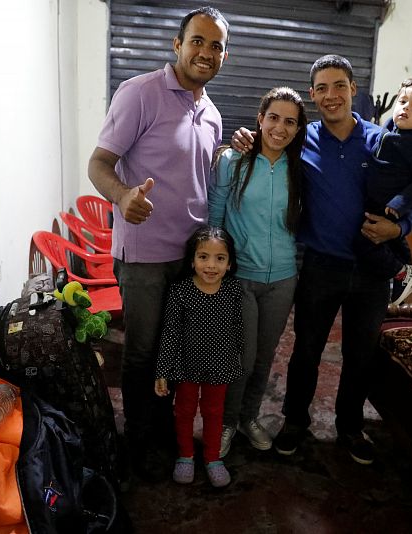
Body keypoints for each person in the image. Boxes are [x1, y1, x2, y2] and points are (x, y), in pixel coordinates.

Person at [231, 55, 412, 465]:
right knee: (306, 350)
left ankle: (349, 428)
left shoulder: (382, 140)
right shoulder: (303, 139)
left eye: (339, 85)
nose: (330, 95)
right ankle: (295, 422)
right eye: (321, 88)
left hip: (371, 269)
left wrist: (400, 229)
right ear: (313, 95)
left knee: (359, 356)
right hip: (321, 265)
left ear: (354, 89)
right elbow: (270, 141)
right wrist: (244, 137)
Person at [86, 6, 229, 481]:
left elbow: (198, 176)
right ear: (177, 44)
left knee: (179, 351)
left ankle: (171, 432)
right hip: (145, 256)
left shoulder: (211, 112)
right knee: (144, 351)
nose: (206, 52)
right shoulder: (140, 93)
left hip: (191, 260)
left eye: (216, 45)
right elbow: (99, 163)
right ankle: (137, 441)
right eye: (198, 41)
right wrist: (123, 195)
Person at [208, 87, 308, 457]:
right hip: (240, 279)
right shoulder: (232, 160)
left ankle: (249, 418)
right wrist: (213, 269)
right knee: (240, 357)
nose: (279, 128)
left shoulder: (300, 168)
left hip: (283, 280)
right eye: (273, 118)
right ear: (259, 119)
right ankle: (226, 422)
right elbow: (215, 215)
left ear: (298, 129)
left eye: (289, 122)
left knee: (265, 357)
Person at [154, 226, 244, 488]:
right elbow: (170, 333)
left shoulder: (233, 291)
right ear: (192, 261)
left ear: (229, 264)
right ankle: (185, 455)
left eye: (220, 258)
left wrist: (235, 361)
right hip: (186, 368)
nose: (211, 265)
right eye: (203, 257)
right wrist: (163, 370)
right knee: (183, 412)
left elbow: (237, 329)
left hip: (220, 368)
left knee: (214, 413)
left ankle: (213, 458)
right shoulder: (180, 292)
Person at [353, 78, 412, 305]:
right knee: (391, 245)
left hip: (388, 206)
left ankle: (403, 273)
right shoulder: (386, 131)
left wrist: (400, 203)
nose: (405, 108)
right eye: (402, 101)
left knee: (363, 241)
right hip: (373, 201)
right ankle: (407, 270)